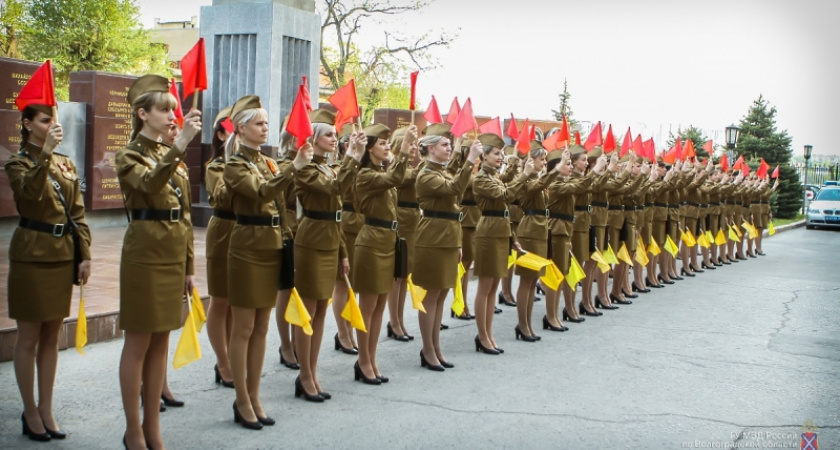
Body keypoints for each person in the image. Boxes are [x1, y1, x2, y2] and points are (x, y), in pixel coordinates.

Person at [115, 75, 198, 449]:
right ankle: (134, 430)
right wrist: (179, 145)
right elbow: (148, 186)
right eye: (164, 109)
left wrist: (189, 268)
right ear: (142, 113)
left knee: (162, 342)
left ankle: (153, 429)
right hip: (145, 256)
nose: (171, 116)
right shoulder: (129, 154)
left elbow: (183, 216)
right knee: (139, 343)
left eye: (172, 109)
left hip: (171, 257)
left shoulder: (172, 158)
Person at [6, 100, 92, 442]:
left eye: (53, 119)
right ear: (27, 124)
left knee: (51, 337)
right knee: (28, 337)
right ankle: (29, 410)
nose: (51, 125)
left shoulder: (65, 163)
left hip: (61, 255)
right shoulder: (18, 162)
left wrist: (84, 254)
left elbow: (78, 213)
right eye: (44, 120)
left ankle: (46, 407)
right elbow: (31, 197)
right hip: (31, 255)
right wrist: (45, 154)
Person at [223, 95, 310, 429]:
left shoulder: (268, 161)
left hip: (271, 244)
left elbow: (279, 197)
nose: (264, 129)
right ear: (241, 128)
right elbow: (260, 193)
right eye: (259, 123)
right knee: (244, 326)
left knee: (261, 327)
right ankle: (241, 398)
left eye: (265, 123)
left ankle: (255, 395)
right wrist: (293, 167)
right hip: (247, 248)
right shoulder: (235, 164)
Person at [292, 109, 355, 401]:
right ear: (314, 138)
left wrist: (343, 252)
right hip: (311, 241)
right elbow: (333, 189)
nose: (334, 138)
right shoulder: (305, 168)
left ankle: (312, 371)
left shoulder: (329, 167)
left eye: (334, 133)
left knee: (320, 311)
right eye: (328, 134)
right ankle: (304, 375)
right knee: (308, 310)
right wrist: (352, 159)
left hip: (330, 241)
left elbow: (337, 214)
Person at [413, 132, 481, 370]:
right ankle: (427, 349)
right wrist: (470, 160)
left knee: (441, 294)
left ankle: (436, 346)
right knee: (431, 296)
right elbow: (454, 189)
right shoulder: (426, 174)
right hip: (433, 238)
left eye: (449, 144)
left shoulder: (440, 171)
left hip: (449, 237)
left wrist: (459, 242)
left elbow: (454, 210)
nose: (448, 148)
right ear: (430, 149)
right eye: (444, 145)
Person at [353, 123, 414, 384]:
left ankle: (371, 357)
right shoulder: (365, 174)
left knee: (379, 306)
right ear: (369, 149)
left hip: (388, 241)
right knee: (368, 306)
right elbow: (394, 179)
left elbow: (396, 178)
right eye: (382, 143)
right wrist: (403, 149)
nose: (387, 146)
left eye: (389, 143)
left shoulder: (380, 170)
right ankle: (363, 361)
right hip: (371, 242)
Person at [472, 132, 530, 355]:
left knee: (494, 285)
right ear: (483, 156)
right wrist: (524, 175)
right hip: (488, 233)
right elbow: (505, 196)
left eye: (501, 153)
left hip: (500, 232)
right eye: (496, 153)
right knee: (485, 287)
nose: (500, 157)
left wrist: (513, 240)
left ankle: (489, 333)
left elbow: (505, 212)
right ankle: (482, 335)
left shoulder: (494, 176)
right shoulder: (481, 178)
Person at [513, 141, 562, 341]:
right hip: (530, 231)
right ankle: (522, 325)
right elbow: (538, 185)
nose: (544, 162)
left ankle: (528, 324)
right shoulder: (525, 179)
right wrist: (557, 169)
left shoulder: (537, 179)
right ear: (530, 160)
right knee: (527, 280)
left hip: (540, 230)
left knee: (533, 281)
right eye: (541, 159)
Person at [205, 107, 235, 387]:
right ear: (221, 134)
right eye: (233, 129)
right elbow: (221, 197)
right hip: (223, 231)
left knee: (235, 301)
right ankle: (222, 362)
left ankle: (230, 357)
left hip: (244, 232)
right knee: (220, 299)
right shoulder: (216, 167)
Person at [387, 127, 421, 341]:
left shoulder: (410, 166)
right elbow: (404, 178)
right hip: (400, 217)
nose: (415, 149)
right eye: (412, 144)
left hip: (412, 220)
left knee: (404, 274)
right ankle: (394, 321)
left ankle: (399, 319)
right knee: (396, 275)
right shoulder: (395, 165)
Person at [332, 125, 362, 355]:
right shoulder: (339, 168)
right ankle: (342, 332)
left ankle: (349, 328)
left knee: (356, 283)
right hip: (347, 224)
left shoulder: (363, 166)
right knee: (343, 281)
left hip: (363, 224)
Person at [274, 125, 301, 370]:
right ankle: (285, 344)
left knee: (301, 292)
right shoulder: (283, 166)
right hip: (290, 231)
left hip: (308, 235)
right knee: (286, 290)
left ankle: (297, 341)